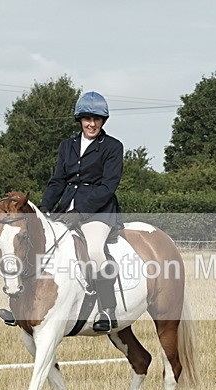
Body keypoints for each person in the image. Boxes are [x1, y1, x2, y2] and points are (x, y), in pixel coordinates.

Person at [38, 91, 123, 332]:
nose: (92, 124)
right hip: (66, 208)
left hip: (99, 212)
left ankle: (108, 309)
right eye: (87, 118)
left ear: (103, 121)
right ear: (80, 120)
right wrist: (45, 207)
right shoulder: (68, 146)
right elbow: (58, 180)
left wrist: (82, 211)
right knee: (38, 246)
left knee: (95, 252)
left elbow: (108, 187)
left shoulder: (113, 147)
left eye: (97, 119)